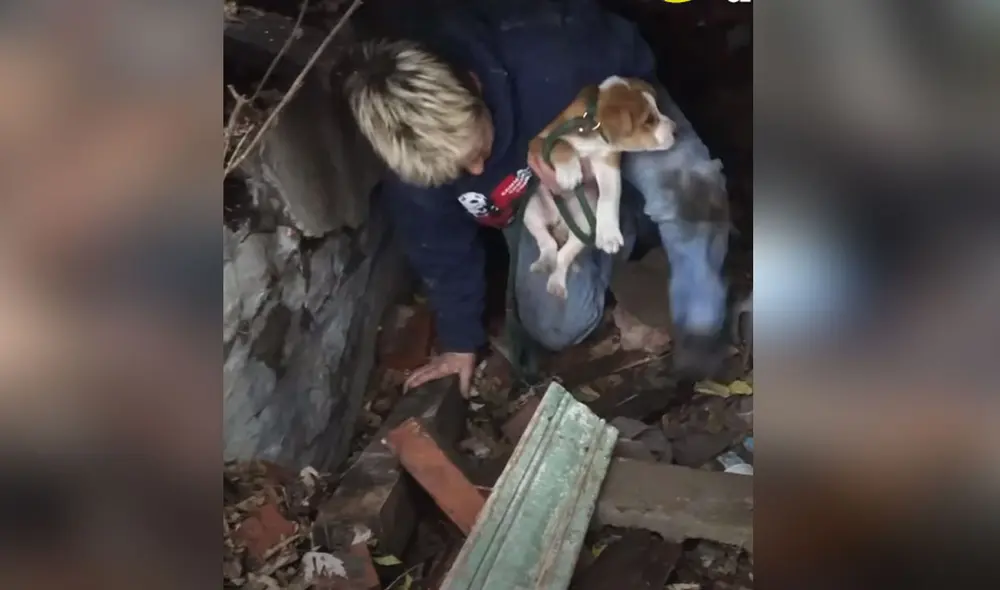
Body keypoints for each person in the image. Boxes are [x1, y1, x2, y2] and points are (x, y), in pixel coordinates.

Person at [344, 0, 730, 396]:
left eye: (478, 149)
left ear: (475, 86)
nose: (478, 171)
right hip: (548, 199)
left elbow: (633, 55)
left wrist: (564, 125)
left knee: (688, 188)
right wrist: (460, 342)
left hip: (616, 124)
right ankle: (624, 229)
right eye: (461, 169)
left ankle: (701, 309)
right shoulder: (416, 167)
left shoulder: (548, 53)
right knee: (558, 325)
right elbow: (442, 254)